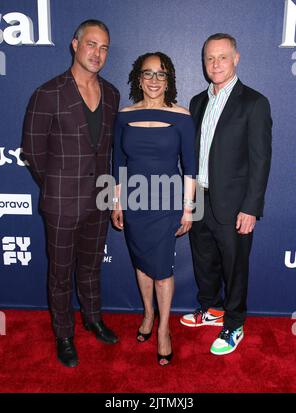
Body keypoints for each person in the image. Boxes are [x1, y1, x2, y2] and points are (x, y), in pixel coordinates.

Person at [22, 20, 120, 368]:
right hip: (62, 203)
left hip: (99, 200)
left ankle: (92, 318)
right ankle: (64, 334)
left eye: (105, 47)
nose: (98, 53)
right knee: (61, 273)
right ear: (75, 44)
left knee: (92, 267)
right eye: (92, 45)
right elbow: (32, 152)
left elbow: (107, 149)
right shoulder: (48, 93)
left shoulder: (111, 94)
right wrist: (57, 188)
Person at [180, 33, 272, 355]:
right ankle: (211, 309)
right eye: (210, 58)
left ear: (236, 58)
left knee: (235, 267)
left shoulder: (254, 103)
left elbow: (261, 160)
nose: (215, 64)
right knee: (204, 260)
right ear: (204, 62)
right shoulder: (197, 102)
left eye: (222, 57)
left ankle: (234, 324)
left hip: (235, 205)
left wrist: (251, 207)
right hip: (200, 198)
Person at [112, 52, 196, 366]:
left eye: (161, 74)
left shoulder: (182, 116)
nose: (154, 80)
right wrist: (116, 200)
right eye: (147, 74)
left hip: (167, 201)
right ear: (138, 78)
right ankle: (148, 314)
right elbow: (118, 162)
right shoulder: (123, 115)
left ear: (169, 80)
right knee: (142, 263)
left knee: (161, 270)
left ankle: (163, 329)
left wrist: (189, 209)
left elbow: (190, 167)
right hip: (134, 200)